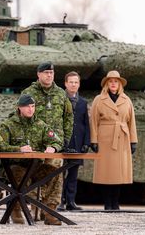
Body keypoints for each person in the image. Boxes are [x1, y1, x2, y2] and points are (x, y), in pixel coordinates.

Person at [0, 94, 63, 225]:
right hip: (14, 166)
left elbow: (57, 141)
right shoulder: (9, 125)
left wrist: (53, 147)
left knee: (55, 173)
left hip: (35, 166)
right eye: (27, 106)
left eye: (32, 106)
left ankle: (49, 212)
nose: (30, 109)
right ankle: (15, 209)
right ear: (19, 108)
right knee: (18, 173)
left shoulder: (40, 125)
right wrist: (18, 149)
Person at [21, 62, 73, 216]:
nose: (49, 75)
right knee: (31, 174)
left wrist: (65, 139)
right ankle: (34, 208)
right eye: (45, 72)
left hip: (54, 145)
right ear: (38, 74)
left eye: (51, 73)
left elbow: (68, 117)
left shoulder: (60, 94)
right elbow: (19, 117)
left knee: (54, 176)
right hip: (34, 144)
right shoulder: (28, 93)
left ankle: (50, 210)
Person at [90, 70, 138, 210]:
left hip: (122, 138)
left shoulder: (126, 99)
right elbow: (93, 121)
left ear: (119, 84)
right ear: (106, 84)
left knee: (119, 173)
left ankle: (115, 203)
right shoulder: (99, 99)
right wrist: (94, 140)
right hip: (105, 138)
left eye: (116, 81)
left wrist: (133, 141)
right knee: (106, 172)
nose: (113, 84)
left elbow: (132, 122)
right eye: (110, 81)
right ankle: (107, 203)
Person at [57, 71, 90, 211]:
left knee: (73, 174)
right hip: (62, 143)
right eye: (71, 82)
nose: (73, 84)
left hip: (77, 143)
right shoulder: (59, 100)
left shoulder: (83, 102)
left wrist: (86, 142)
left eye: (76, 82)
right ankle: (59, 201)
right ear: (65, 83)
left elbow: (86, 124)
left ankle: (71, 201)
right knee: (59, 175)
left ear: (79, 84)